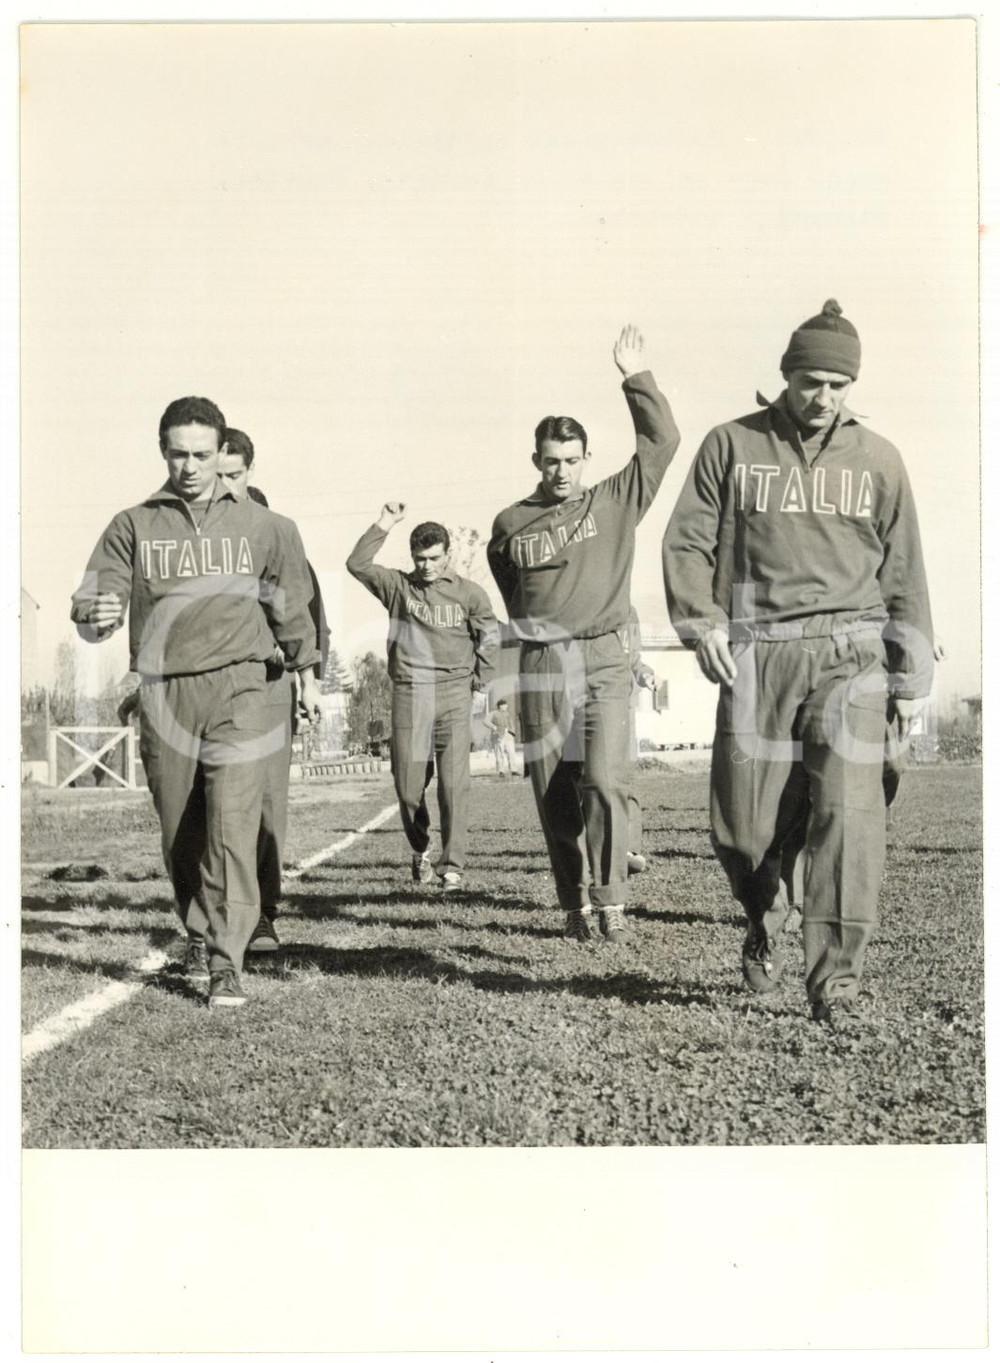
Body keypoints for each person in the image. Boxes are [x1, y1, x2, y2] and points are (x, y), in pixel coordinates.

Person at [662, 299, 934, 1023]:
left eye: (839, 385)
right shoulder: (731, 444)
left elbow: (904, 571)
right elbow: (687, 543)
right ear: (785, 374)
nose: (824, 397)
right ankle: (764, 909)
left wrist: (910, 676)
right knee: (744, 830)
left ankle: (835, 986)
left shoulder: (879, 459)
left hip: (853, 651)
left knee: (848, 813)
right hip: (759, 651)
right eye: (812, 381)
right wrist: (702, 622)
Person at [71, 396, 321, 1009]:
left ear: (221, 453)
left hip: (243, 686)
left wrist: (309, 677)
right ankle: (200, 928)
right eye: (178, 455)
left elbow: (293, 612)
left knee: (232, 822)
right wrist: (96, 614)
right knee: (182, 830)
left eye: (202, 456)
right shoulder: (133, 525)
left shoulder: (270, 528)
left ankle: (225, 961)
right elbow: (93, 601)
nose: (190, 467)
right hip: (166, 691)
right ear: (163, 451)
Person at [488, 325, 680, 943]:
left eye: (572, 461)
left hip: (603, 657)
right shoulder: (511, 523)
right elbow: (512, 589)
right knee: (554, 791)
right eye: (552, 461)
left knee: (604, 778)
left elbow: (663, 441)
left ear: (586, 460)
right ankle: (573, 901)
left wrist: (634, 377)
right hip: (542, 663)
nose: (562, 472)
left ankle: (612, 900)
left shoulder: (615, 500)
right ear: (536, 461)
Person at [217, 427, 330, 954]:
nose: (223, 488)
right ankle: (209, 920)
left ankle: (262, 913)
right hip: (207, 684)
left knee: (263, 804)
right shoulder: (185, 538)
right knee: (207, 804)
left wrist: (309, 677)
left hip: (266, 684)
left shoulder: (279, 537)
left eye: (233, 476)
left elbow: (308, 618)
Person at [347, 505, 500, 890]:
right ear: (412, 557)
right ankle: (421, 848)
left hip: (454, 692)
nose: (427, 566)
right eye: (420, 559)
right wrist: (384, 523)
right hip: (411, 693)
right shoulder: (399, 587)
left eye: (434, 558)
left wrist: (480, 683)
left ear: (447, 554)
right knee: (408, 787)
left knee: (453, 785)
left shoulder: (469, 593)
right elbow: (357, 564)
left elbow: (490, 637)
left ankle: (453, 867)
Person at [626, 607, 657, 876]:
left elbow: (634, 659)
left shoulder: (629, 611)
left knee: (624, 778)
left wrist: (645, 674)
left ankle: (629, 850)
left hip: (622, 707)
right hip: (584, 704)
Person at [486, 698, 518, 778]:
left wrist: (512, 732)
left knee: (511, 752)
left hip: (508, 735)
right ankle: (501, 771)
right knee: (500, 754)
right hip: (498, 736)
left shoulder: (507, 714)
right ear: (500, 706)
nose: (506, 706)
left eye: (506, 705)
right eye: (504, 705)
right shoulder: (494, 713)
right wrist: (493, 727)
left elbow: (511, 723)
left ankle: (513, 770)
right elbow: (485, 721)